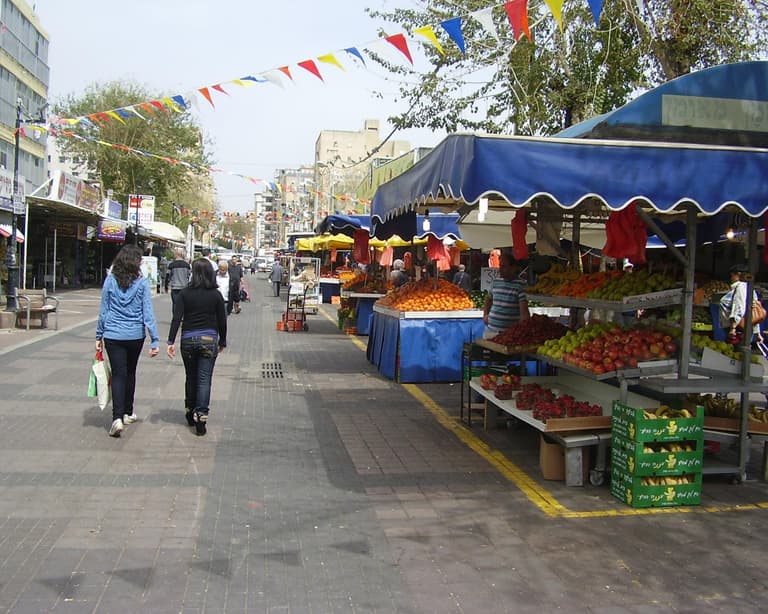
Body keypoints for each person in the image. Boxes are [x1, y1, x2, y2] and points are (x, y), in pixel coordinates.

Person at [95, 245, 160, 437]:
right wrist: (155, 339)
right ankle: (127, 412)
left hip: (113, 334)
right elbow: (147, 312)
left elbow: (104, 310)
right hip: (135, 335)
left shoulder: (110, 280)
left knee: (118, 374)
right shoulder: (141, 283)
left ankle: (116, 418)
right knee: (130, 372)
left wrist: (99, 335)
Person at [166, 258, 227, 436]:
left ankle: (189, 408)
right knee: (204, 379)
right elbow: (222, 321)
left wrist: (170, 341)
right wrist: (222, 341)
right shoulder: (216, 295)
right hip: (209, 339)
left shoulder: (184, 293)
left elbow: (177, 318)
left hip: (188, 339)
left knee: (190, 376)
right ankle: (201, 415)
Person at [482, 252, 530, 339]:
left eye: (504, 266)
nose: (500, 269)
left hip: (508, 335)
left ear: (513, 268)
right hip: (490, 331)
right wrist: (485, 314)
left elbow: (524, 312)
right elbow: (488, 299)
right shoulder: (495, 282)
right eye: (500, 266)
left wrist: (523, 330)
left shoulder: (520, 285)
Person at [720, 263, 763, 343]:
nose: (731, 278)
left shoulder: (740, 287)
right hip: (744, 328)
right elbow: (754, 313)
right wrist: (757, 332)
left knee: (736, 352)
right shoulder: (750, 289)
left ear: (738, 275)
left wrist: (733, 328)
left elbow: (738, 307)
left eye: (731, 275)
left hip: (737, 330)